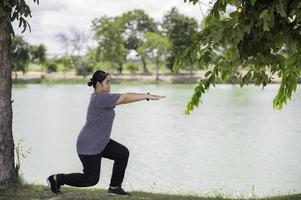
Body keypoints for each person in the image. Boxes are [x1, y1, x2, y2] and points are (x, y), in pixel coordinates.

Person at [46, 70, 165, 196]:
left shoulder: (104, 98)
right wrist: (147, 96)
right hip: (89, 146)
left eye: (109, 82)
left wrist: (144, 96)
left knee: (122, 153)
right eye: (106, 82)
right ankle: (57, 179)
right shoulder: (100, 98)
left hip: (101, 143)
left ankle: (114, 187)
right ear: (98, 84)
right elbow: (124, 97)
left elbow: (124, 99)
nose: (109, 85)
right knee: (91, 180)